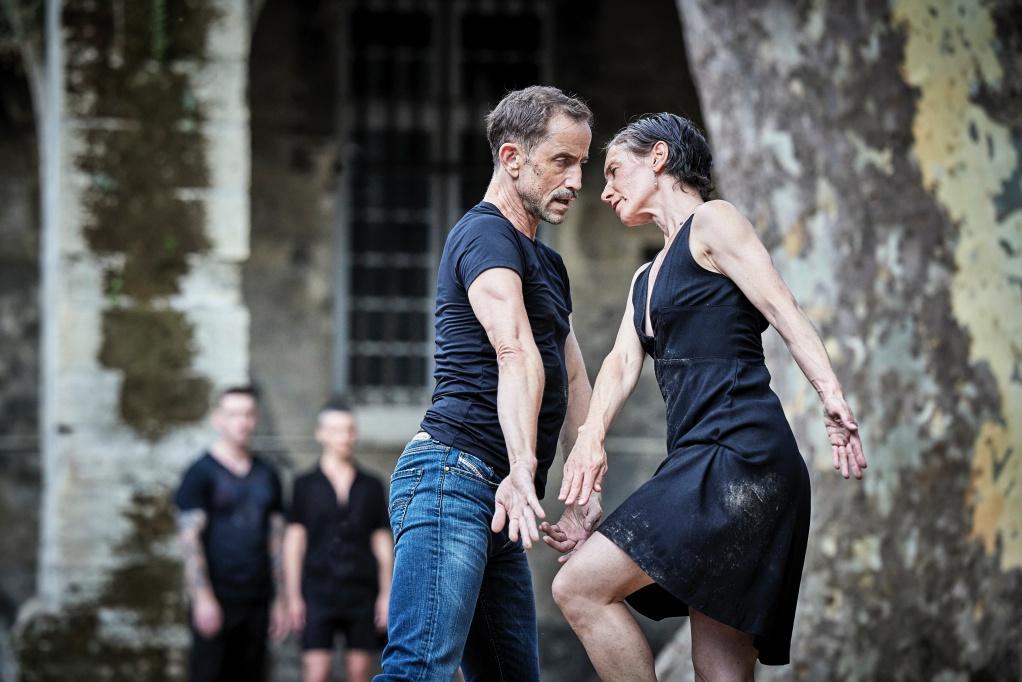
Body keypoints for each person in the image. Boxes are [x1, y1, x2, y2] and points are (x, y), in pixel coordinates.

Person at [546, 113, 868, 681]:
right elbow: (622, 362)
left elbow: (781, 309)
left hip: (741, 455)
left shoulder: (713, 222)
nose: (605, 188)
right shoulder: (644, 278)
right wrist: (589, 441)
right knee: (717, 666)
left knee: (578, 587)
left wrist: (832, 396)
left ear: (660, 158)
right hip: (703, 459)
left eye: (616, 169)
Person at [374, 85, 598, 682]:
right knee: (418, 671)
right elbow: (513, 348)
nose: (577, 180)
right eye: (562, 161)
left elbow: (569, 369)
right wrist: (525, 466)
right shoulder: (484, 236)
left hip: (498, 496)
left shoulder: (546, 262)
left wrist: (584, 479)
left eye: (582, 162)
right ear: (511, 158)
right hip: (453, 478)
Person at [175, 385, 289, 682]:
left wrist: (280, 600)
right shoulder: (200, 472)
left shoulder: (268, 474)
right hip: (218, 597)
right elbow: (189, 540)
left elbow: (276, 539)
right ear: (218, 419)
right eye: (234, 414)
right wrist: (202, 598)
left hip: (257, 597)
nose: (242, 421)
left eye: (249, 414)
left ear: (256, 419)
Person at [284, 396, 394, 682]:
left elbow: (382, 542)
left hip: (362, 592)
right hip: (317, 591)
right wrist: (293, 596)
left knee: (360, 673)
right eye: (335, 430)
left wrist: (386, 594)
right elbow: (294, 543)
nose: (343, 437)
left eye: (349, 429)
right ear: (320, 434)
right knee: (316, 672)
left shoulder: (371, 485)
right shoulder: (304, 485)